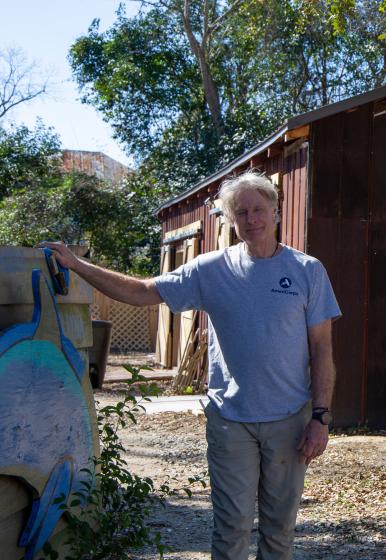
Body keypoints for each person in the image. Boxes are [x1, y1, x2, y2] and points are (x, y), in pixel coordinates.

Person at [43, 170, 341, 560]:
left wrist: (320, 417)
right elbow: (143, 290)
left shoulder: (307, 271)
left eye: (258, 209)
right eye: (241, 212)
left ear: (275, 211)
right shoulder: (210, 270)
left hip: (290, 419)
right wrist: (78, 265)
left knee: (279, 530)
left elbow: (322, 350)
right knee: (231, 527)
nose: (251, 219)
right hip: (231, 418)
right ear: (231, 220)